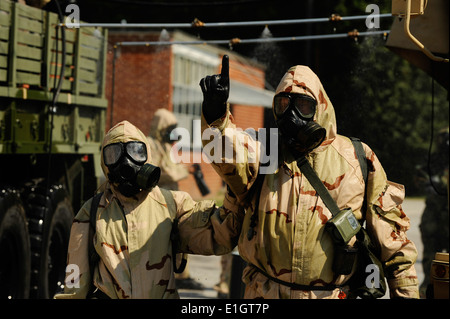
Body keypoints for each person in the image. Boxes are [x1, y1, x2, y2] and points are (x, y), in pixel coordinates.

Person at [198, 55, 420, 299]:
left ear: (321, 108)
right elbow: (228, 154)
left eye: (303, 106)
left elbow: (393, 239)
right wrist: (215, 113)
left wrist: (406, 293)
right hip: (265, 293)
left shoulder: (358, 158)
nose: (291, 115)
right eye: (283, 105)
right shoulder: (266, 149)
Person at [54, 120, 243, 299]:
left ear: (147, 156)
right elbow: (74, 287)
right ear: (105, 163)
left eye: (136, 152)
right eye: (114, 155)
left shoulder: (172, 204)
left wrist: (235, 187)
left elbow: (220, 236)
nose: (126, 162)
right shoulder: (92, 212)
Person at [417, 127, 449, 297]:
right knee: (431, 255)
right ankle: (429, 287)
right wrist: (431, 185)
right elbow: (420, 177)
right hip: (435, 215)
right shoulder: (433, 161)